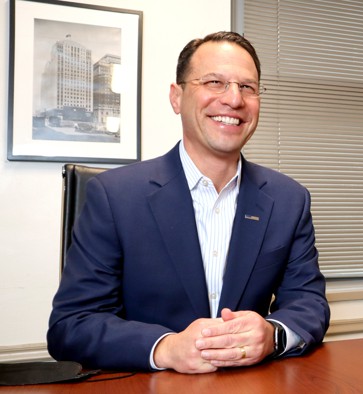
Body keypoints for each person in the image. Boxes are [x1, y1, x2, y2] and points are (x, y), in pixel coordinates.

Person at [48, 31, 330, 374]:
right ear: (177, 97)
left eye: (247, 87)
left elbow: (308, 302)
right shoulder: (114, 195)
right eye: (215, 82)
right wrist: (165, 349)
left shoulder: (289, 199)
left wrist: (272, 334)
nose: (234, 100)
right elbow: (72, 325)